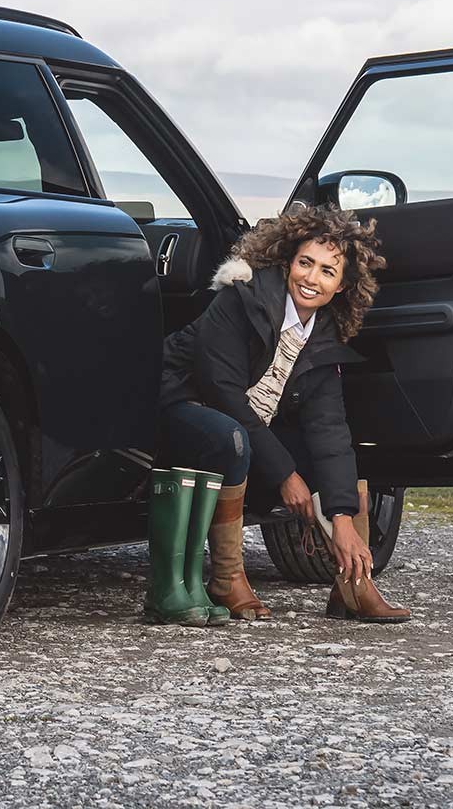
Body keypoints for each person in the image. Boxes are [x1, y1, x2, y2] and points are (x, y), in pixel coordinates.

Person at [142, 202, 410, 624]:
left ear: (341, 286)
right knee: (232, 436)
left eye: (327, 271)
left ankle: (354, 587)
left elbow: (328, 428)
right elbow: (223, 394)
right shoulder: (242, 298)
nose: (312, 278)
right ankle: (227, 579)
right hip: (176, 410)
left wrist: (341, 517)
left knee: (325, 452)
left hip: (242, 432)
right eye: (306, 263)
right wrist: (286, 475)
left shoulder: (322, 337)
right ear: (288, 262)